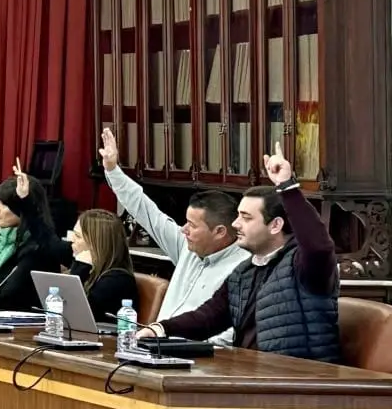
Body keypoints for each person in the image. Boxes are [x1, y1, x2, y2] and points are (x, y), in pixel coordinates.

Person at [141, 144, 340, 362]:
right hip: (252, 373)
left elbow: (319, 246)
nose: (235, 224)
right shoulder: (243, 272)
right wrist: (160, 329)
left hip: (301, 377)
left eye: (246, 218)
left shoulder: (304, 266)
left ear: (275, 225)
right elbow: (207, 318)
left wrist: (288, 187)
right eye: (238, 216)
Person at [100, 126, 246, 337]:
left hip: (197, 352)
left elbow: (230, 334)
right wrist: (113, 170)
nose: (184, 230)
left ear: (220, 232)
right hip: (155, 343)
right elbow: (146, 211)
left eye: (192, 225)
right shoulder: (187, 246)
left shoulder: (242, 269)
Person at [0, 155, 65, 313]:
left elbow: (5, 297)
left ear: (21, 210)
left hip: (21, 324)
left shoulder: (36, 249)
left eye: (3, 204)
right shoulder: (0, 237)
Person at [69, 209, 138, 321]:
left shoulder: (116, 280)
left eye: (78, 236)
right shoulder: (92, 270)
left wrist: (80, 267)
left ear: (95, 243)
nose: (71, 240)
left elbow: (75, 312)